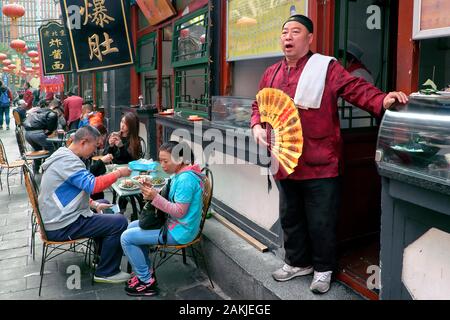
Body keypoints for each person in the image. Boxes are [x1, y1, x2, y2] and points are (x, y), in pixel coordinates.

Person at [251, 14, 408, 294]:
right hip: (284, 159)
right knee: (291, 216)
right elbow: (259, 104)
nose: (287, 37)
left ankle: (323, 269)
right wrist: (256, 127)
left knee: (321, 218)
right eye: (284, 32)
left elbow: (354, 88)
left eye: (295, 31)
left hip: (320, 159)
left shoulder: (326, 67)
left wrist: (382, 99)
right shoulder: (271, 73)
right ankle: (298, 262)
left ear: (309, 38)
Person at [38, 126, 133, 284]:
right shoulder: (68, 161)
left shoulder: (63, 154)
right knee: (119, 222)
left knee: (103, 204)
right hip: (62, 225)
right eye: (95, 146)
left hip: (56, 217)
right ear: (83, 142)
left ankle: (101, 258)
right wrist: (118, 173)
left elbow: (66, 192)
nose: (95, 151)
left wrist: (94, 204)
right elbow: (92, 186)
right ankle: (106, 272)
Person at [120, 141, 204, 296]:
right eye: (161, 160)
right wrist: (153, 190)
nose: (162, 165)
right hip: (175, 225)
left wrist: (154, 197)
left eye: (166, 161)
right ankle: (145, 272)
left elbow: (179, 212)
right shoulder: (182, 174)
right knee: (131, 226)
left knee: (126, 238)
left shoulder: (186, 180)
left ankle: (146, 281)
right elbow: (171, 195)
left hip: (181, 232)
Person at [23, 104, 59, 172]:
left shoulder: (38, 112)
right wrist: (49, 131)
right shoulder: (51, 113)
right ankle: (48, 169)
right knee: (51, 149)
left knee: (37, 150)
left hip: (28, 134)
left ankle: (36, 168)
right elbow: (52, 119)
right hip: (38, 134)